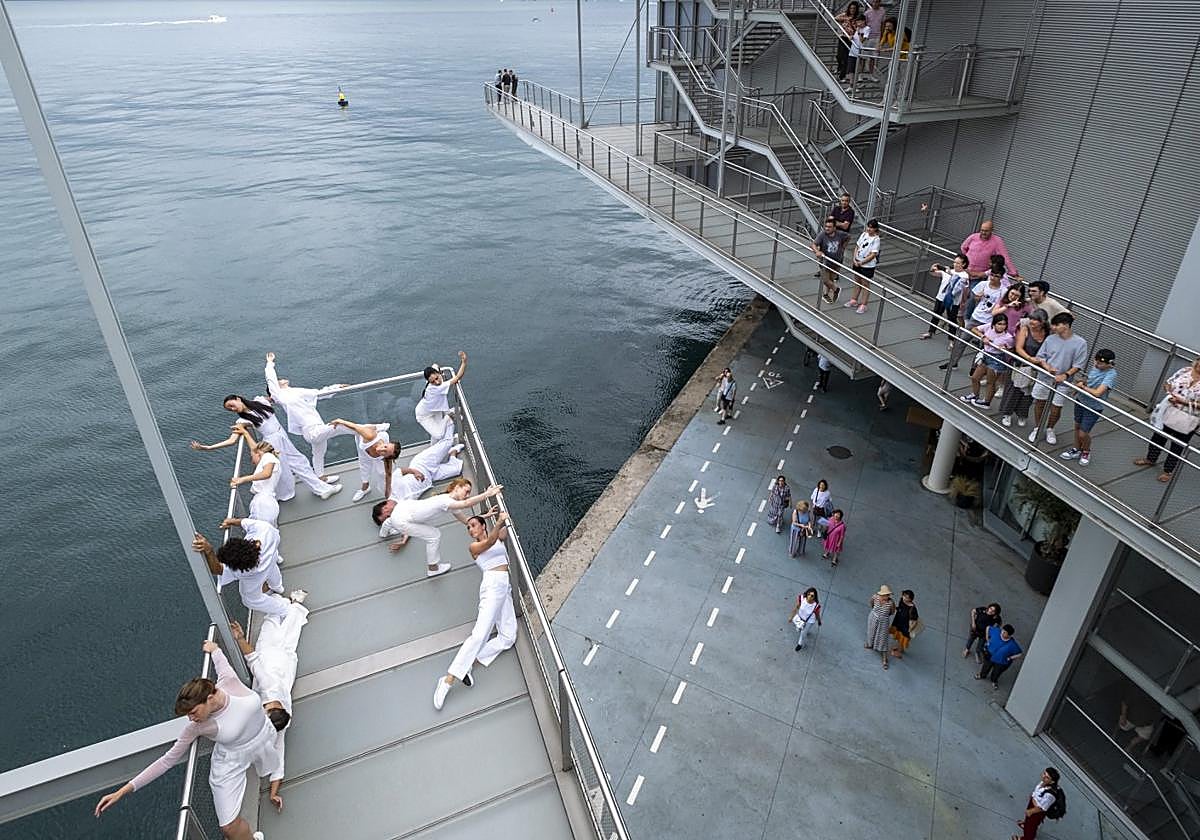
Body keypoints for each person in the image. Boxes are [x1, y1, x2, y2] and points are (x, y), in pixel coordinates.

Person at [94, 640, 283, 840]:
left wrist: (214, 648)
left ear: (209, 698)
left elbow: (219, 658)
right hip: (231, 761)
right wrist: (122, 791)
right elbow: (166, 761)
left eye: (193, 712)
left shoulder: (229, 681)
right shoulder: (198, 727)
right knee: (228, 827)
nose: (191, 719)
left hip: (262, 735)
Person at [228, 599, 308, 813]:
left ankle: (291, 604)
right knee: (275, 623)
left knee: (277, 624)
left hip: (283, 661)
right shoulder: (269, 689)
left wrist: (274, 792)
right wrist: (240, 639)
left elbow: (279, 758)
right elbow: (253, 659)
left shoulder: (280, 718)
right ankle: (289, 603)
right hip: (275, 659)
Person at [433, 510, 518, 710]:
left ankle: (468, 665)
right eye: (468, 528)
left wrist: (496, 516)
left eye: (473, 525)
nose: (470, 530)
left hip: (504, 586)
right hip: (492, 585)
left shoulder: (496, 537)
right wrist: (498, 521)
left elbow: (505, 531)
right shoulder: (474, 547)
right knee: (479, 635)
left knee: (508, 637)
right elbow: (490, 542)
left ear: (482, 526)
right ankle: (447, 680)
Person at [192, 395, 341, 500]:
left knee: (300, 462)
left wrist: (280, 384)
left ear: (238, 398)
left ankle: (320, 487)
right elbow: (232, 440)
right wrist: (208, 448)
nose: (232, 409)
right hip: (272, 442)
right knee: (287, 469)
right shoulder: (242, 420)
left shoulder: (260, 402)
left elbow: (275, 395)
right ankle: (318, 489)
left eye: (231, 405)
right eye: (229, 409)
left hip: (281, 436)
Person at [372, 479, 504, 576]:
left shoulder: (449, 502)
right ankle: (433, 569)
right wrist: (487, 494)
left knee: (392, 522)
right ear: (457, 487)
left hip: (401, 511)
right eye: (467, 491)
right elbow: (466, 504)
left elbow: (467, 521)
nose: (468, 495)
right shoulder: (445, 501)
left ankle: (383, 534)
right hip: (401, 519)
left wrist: (486, 515)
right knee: (434, 536)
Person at [263, 351, 351, 481]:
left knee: (319, 454)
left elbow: (319, 393)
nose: (281, 379)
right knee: (341, 426)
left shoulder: (295, 391)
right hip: (311, 430)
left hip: (317, 426)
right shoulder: (279, 395)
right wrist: (270, 362)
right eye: (279, 380)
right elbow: (270, 379)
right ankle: (371, 431)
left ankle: (321, 478)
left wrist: (337, 387)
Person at [192, 520, 290, 619]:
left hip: (256, 577)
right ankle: (278, 587)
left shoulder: (243, 572)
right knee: (272, 569)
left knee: (251, 600)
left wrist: (209, 551)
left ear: (242, 568)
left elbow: (217, 570)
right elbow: (245, 522)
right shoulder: (264, 529)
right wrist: (232, 521)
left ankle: (284, 609)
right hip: (272, 557)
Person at [1028, 312, 1088, 446]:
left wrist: (1065, 375)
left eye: (1056, 325)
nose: (1053, 327)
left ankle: (1050, 428)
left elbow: (1078, 365)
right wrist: (1046, 366)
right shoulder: (1050, 339)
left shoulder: (1080, 343)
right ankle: (1038, 427)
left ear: (1066, 325)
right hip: (1045, 376)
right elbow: (1041, 356)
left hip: (1064, 382)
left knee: (1056, 407)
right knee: (1040, 403)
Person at [1135, 358, 1200, 481]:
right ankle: (1151, 458)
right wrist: (1169, 392)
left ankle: (1168, 471)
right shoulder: (1185, 371)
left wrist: (1183, 402)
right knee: (1158, 437)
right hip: (1169, 411)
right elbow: (1168, 383)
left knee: (1177, 445)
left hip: (1188, 418)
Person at [942, 265, 1010, 370]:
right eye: (992, 275)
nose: (993, 278)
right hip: (976, 317)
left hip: (989, 322)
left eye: (996, 276)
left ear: (1001, 277)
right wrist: (976, 298)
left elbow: (1003, 306)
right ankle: (953, 363)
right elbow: (972, 299)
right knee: (962, 340)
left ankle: (975, 368)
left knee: (982, 347)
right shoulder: (983, 284)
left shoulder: (1003, 291)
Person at [1061, 349, 1117, 466]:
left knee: (1083, 433)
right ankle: (1076, 449)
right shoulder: (1095, 367)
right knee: (1077, 426)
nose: (1096, 364)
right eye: (1095, 361)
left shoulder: (1111, 375)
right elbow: (1091, 381)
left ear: (1109, 364)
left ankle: (1086, 451)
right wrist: (1083, 383)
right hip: (1081, 401)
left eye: (1100, 363)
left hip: (1094, 407)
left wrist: (1082, 387)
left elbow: (1098, 393)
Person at [326, 418, 398, 502]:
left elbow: (388, 473)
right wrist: (340, 421)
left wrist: (388, 492)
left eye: (385, 452)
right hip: (364, 441)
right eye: (385, 447)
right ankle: (365, 488)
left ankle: (393, 488)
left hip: (373, 445)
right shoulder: (369, 435)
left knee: (382, 473)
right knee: (364, 466)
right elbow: (355, 427)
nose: (382, 449)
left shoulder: (386, 456)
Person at [999, 309, 1049, 428]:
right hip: (1021, 364)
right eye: (1031, 319)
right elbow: (1019, 348)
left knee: (1028, 394)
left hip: (1036, 367)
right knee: (1014, 390)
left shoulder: (1047, 332)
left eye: (1035, 320)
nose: (1032, 321)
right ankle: (1007, 413)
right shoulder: (1025, 329)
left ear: (1042, 322)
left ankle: (1022, 414)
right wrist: (1029, 358)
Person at [389, 434, 466, 502]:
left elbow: (399, 471)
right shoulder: (403, 504)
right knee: (457, 469)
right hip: (430, 477)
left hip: (421, 465)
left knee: (448, 442)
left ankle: (449, 422)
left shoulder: (392, 489)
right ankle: (453, 451)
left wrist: (415, 472)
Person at [960, 312, 1014, 409]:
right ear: (994, 324)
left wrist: (1005, 348)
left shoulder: (1008, 337)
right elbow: (974, 329)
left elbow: (1011, 349)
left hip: (997, 359)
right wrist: (983, 336)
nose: (1002, 326)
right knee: (975, 377)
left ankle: (987, 402)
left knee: (990, 382)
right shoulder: (989, 327)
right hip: (986, 355)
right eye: (999, 324)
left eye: (1004, 324)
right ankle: (975, 395)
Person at [416, 351, 467, 442]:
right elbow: (457, 377)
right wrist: (464, 362)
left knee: (436, 434)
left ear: (437, 373)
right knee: (438, 434)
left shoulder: (437, 377)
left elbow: (435, 365)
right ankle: (449, 415)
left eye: (437, 378)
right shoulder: (436, 388)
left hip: (436, 409)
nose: (437, 382)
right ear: (429, 382)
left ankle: (449, 415)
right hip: (423, 415)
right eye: (432, 382)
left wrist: (439, 371)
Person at [232, 440, 283, 526]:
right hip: (267, 502)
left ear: (258, 454)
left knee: (260, 528)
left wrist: (242, 479)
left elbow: (266, 474)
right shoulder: (270, 458)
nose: (252, 461)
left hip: (263, 503)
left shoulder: (268, 456)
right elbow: (255, 449)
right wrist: (245, 433)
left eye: (251, 457)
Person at [921, 254, 970, 343]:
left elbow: (960, 284)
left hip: (953, 301)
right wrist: (932, 269)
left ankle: (952, 339)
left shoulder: (964, 275)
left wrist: (946, 270)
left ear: (963, 264)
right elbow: (934, 273)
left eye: (958, 263)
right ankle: (930, 332)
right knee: (936, 314)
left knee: (952, 319)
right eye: (954, 262)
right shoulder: (948, 270)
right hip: (940, 297)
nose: (955, 264)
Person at [1013, 768, 1062, 840]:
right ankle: (1026, 825)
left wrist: (1031, 811)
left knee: (1031, 826)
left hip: (1036, 811)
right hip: (1032, 805)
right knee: (1029, 820)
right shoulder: (1043, 783)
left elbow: (1042, 808)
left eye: (1047, 777)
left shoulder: (1049, 795)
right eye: (1044, 774)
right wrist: (1032, 797)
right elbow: (1037, 792)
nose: (1043, 777)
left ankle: (1027, 838)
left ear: (1052, 781)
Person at [846, 218, 880, 314]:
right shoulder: (864, 234)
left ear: (875, 229)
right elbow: (857, 246)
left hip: (867, 265)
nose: (869, 229)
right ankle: (854, 299)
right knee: (857, 281)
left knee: (865, 284)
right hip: (857, 261)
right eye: (868, 227)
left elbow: (873, 254)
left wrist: (862, 262)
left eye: (871, 228)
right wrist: (854, 259)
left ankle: (863, 304)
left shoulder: (876, 239)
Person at [811, 218, 849, 303]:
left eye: (829, 227)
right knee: (825, 279)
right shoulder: (822, 234)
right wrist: (817, 251)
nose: (827, 228)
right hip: (825, 261)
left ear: (834, 228)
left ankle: (826, 294)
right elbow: (813, 244)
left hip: (836, 261)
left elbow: (848, 237)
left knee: (831, 279)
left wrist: (843, 247)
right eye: (826, 226)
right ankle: (836, 289)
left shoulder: (840, 234)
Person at [977, 623, 1023, 689]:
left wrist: (1010, 658)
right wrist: (987, 639)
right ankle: (982, 675)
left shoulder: (1012, 645)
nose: (1002, 632)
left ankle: (994, 681)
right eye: (1002, 630)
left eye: (1005, 632)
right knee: (985, 667)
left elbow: (1019, 654)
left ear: (1009, 635)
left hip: (1000, 662)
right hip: (989, 656)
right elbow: (988, 627)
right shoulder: (996, 632)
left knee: (997, 672)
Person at [865, 584, 895, 669]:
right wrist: (875, 613)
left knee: (882, 638)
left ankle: (884, 659)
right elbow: (871, 604)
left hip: (883, 621)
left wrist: (883, 616)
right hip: (873, 617)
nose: (887, 596)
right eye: (885, 595)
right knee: (871, 632)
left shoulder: (890, 603)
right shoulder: (875, 597)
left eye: (888, 595)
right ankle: (870, 644)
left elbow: (892, 612)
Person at [833, 2, 862, 81]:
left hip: (851, 39)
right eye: (851, 8)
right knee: (839, 55)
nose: (852, 10)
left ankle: (842, 76)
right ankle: (839, 67)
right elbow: (835, 18)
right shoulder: (845, 15)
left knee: (846, 57)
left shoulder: (857, 17)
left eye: (854, 8)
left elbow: (859, 27)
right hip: (843, 37)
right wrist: (846, 19)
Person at [889, 589, 920, 659]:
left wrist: (910, 629)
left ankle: (899, 653)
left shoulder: (912, 609)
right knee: (899, 637)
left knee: (902, 639)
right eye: (904, 596)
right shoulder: (902, 601)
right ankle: (900, 649)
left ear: (910, 599)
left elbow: (914, 620)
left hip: (906, 627)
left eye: (906, 597)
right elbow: (900, 608)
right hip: (898, 622)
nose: (904, 598)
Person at [845, 15, 871, 89]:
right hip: (852, 51)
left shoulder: (867, 29)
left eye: (859, 21)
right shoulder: (857, 29)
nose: (858, 23)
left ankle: (855, 86)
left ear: (864, 21)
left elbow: (862, 40)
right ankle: (851, 85)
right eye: (857, 22)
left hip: (860, 52)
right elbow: (855, 38)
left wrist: (859, 32)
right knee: (851, 69)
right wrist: (851, 37)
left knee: (857, 70)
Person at [863, 0, 886, 78]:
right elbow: (864, 24)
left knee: (873, 57)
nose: (875, 3)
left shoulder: (882, 11)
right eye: (874, 2)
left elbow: (883, 24)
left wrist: (882, 36)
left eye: (877, 2)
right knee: (863, 56)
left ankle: (871, 75)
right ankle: (860, 74)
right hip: (868, 37)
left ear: (879, 2)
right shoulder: (867, 13)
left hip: (877, 36)